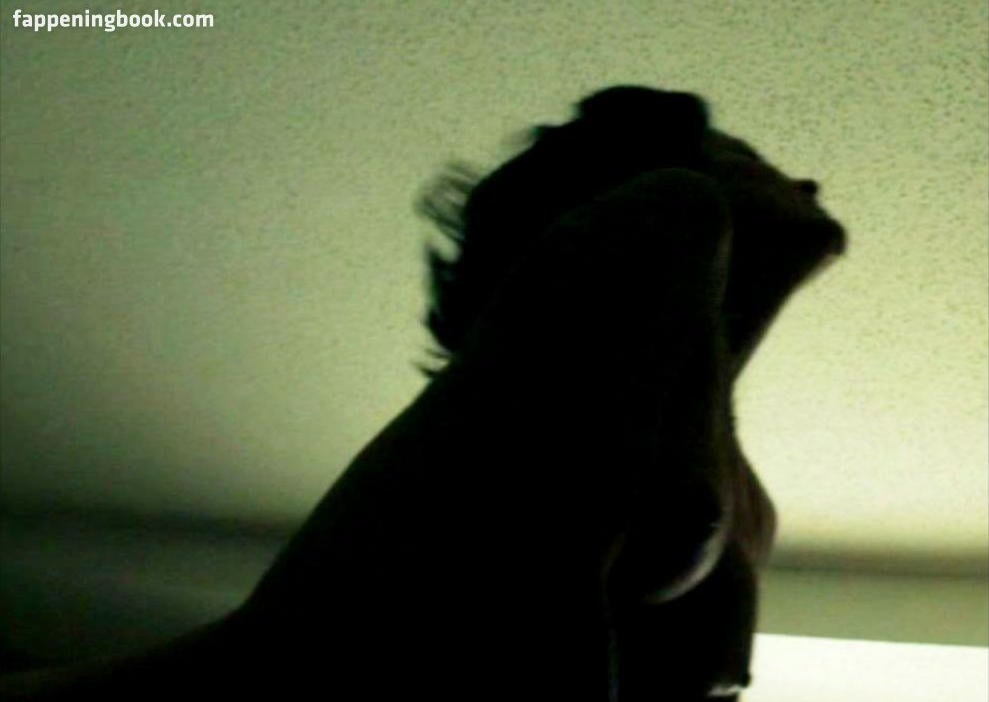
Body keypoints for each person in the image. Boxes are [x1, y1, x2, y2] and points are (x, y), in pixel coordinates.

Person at [0, 86, 847, 701]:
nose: (803, 182)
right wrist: (686, 186)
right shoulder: (531, 410)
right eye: (750, 162)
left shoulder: (735, 490)